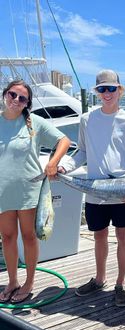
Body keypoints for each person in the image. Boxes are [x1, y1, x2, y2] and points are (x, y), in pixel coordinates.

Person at [58, 69, 125, 307]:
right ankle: (99, 278)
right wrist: (65, 166)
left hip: (123, 192)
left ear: (120, 90)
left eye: (111, 89)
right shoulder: (87, 119)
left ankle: (120, 283)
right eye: (102, 89)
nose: (107, 93)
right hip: (95, 190)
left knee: (123, 236)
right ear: (97, 92)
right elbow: (82, 152)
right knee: (99, 236)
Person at [0, 80, 71, 304]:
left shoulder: (34, 122)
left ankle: (29, 282)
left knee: (29, 236)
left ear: (27, 102)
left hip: (29, 189)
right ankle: (13, 281)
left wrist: (53, 163)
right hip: (2, 191)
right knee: (7, 237)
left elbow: (64, 140)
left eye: (22, 98)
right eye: (13, 95)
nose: (16, 100)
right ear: (5, 94)